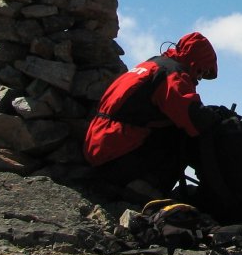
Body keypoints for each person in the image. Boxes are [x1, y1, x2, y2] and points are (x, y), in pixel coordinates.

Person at [83, 32, 229, 197]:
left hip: (100, 146)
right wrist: (220, 120)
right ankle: (148, 190)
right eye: (201, 72)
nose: (199, 78)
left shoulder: (152, 65)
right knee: (184, 134)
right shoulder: (172, 74)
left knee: (174, 126)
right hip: (115, 154)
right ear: (195, 63)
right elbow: (194, 117)